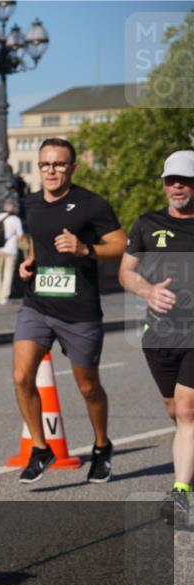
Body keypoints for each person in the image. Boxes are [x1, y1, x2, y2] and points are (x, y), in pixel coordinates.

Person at [14, 137, 126, 483]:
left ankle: (102, 446)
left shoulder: (91, 204)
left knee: (88, 386)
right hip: (37, 303)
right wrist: (29, 261)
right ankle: (40, 447)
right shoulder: (30, 203)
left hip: (80, 310)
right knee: (21, 377)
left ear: (72, 168)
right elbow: (35, 239)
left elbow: (120, 245)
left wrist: (84, 248)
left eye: (59, 164)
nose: (51, 171)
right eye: (45, 164)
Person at [119, 150, 194, 525]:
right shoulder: (146, 225)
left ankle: (180, 494)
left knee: (186, 409)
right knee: (176, 414)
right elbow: (126, 273)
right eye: (171, 180)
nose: (177, 186)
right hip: (160, 335)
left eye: (185, 179)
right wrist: (148, 291)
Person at [0, 199, 24, 305]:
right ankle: (4, 297)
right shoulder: (15, 219)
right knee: (8, 273)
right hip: (11, 249)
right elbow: (20, 236)